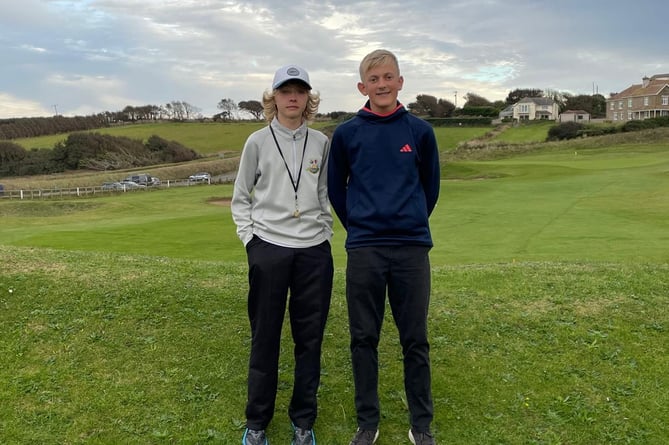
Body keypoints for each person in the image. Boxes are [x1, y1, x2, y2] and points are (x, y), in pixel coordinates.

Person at [327, 49, 440, 445]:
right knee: (363, 338)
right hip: (365, 249)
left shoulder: (420, 131)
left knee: (415, 339)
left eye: (388, 77)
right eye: (374, 80)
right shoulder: (346, 134)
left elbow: (431, 188)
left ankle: (421, 424)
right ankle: (367, 422)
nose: (382, 85)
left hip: (410, 248)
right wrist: (361, 224)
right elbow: (336, 191)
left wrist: (407, 221)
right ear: (363, 87)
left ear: (400, 82)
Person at [231, 64, 334, 445]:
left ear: (309, 98)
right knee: (265, 338)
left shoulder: (322, 143)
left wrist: (324, 233)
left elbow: (324, 194)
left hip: (313, 253)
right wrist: (251, 243)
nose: (293, 97)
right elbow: (241, 198)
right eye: (285, 90)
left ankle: (303, 421)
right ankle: (257, 423)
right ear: (273, 97)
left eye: (300, 91)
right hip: (269, 249)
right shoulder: (257, 141)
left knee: (310, 340)